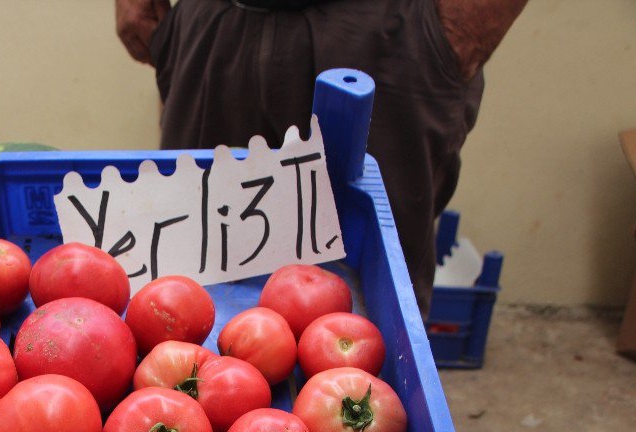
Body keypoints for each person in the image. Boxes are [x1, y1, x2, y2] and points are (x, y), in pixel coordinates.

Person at [115, 0, 528, 315]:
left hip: (387, 28)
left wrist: (464, 27)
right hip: (217, 21)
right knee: (188, 286)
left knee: (373, 308)